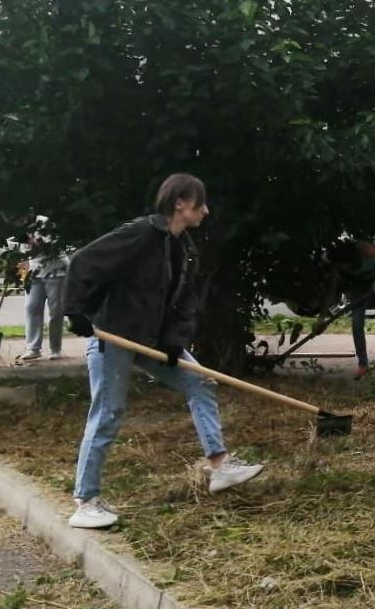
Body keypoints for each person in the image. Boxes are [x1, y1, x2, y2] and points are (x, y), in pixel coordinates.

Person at [62, 174, 264, 530]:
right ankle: (86, 501)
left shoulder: (183, 248)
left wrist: (174, 341)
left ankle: (219, 466)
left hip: (152, 340)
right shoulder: (140, 235)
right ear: (179, 204)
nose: (206, 210)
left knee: (200, 382)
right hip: (115, 337)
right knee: (108, 412)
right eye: (200, 202)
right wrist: (76, 311)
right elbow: (83, 261)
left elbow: (184, 304)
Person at [327, 239, 375, 378]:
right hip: (360, 282)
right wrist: (320, 319)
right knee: (356, 322)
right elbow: (332, 289)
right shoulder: (336, 263)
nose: (347, 268)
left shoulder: (365, 250)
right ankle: (363, 364)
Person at [19, 216, 69, 362]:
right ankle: (33, 348)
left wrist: (30, 240)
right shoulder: (19, 228)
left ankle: (55, 349)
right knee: (31, 307)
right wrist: (23, 274)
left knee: (56, 311)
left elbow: (50, 248)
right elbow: (23, 255)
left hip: (56, 270)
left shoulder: (45, 222)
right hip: (34, 272)